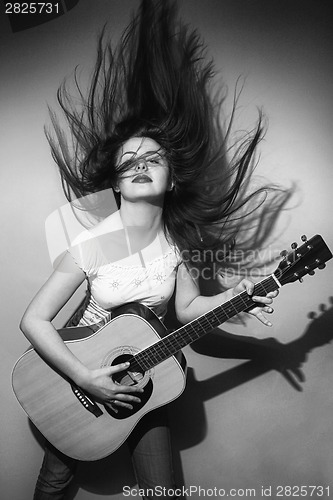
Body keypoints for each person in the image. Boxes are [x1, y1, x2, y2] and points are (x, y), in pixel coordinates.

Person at [20, 0, 291, 498]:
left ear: (170, 182)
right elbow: (33, 320)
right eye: (130, 162)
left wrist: (242, 296)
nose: (142, 165)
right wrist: (89, 378)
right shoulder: (91, 244)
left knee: (162, 491)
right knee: (55, 480)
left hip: (149, 375)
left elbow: (187, 309)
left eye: (155, 159)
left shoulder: (179, 244)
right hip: (79, 381)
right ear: (117, 185)